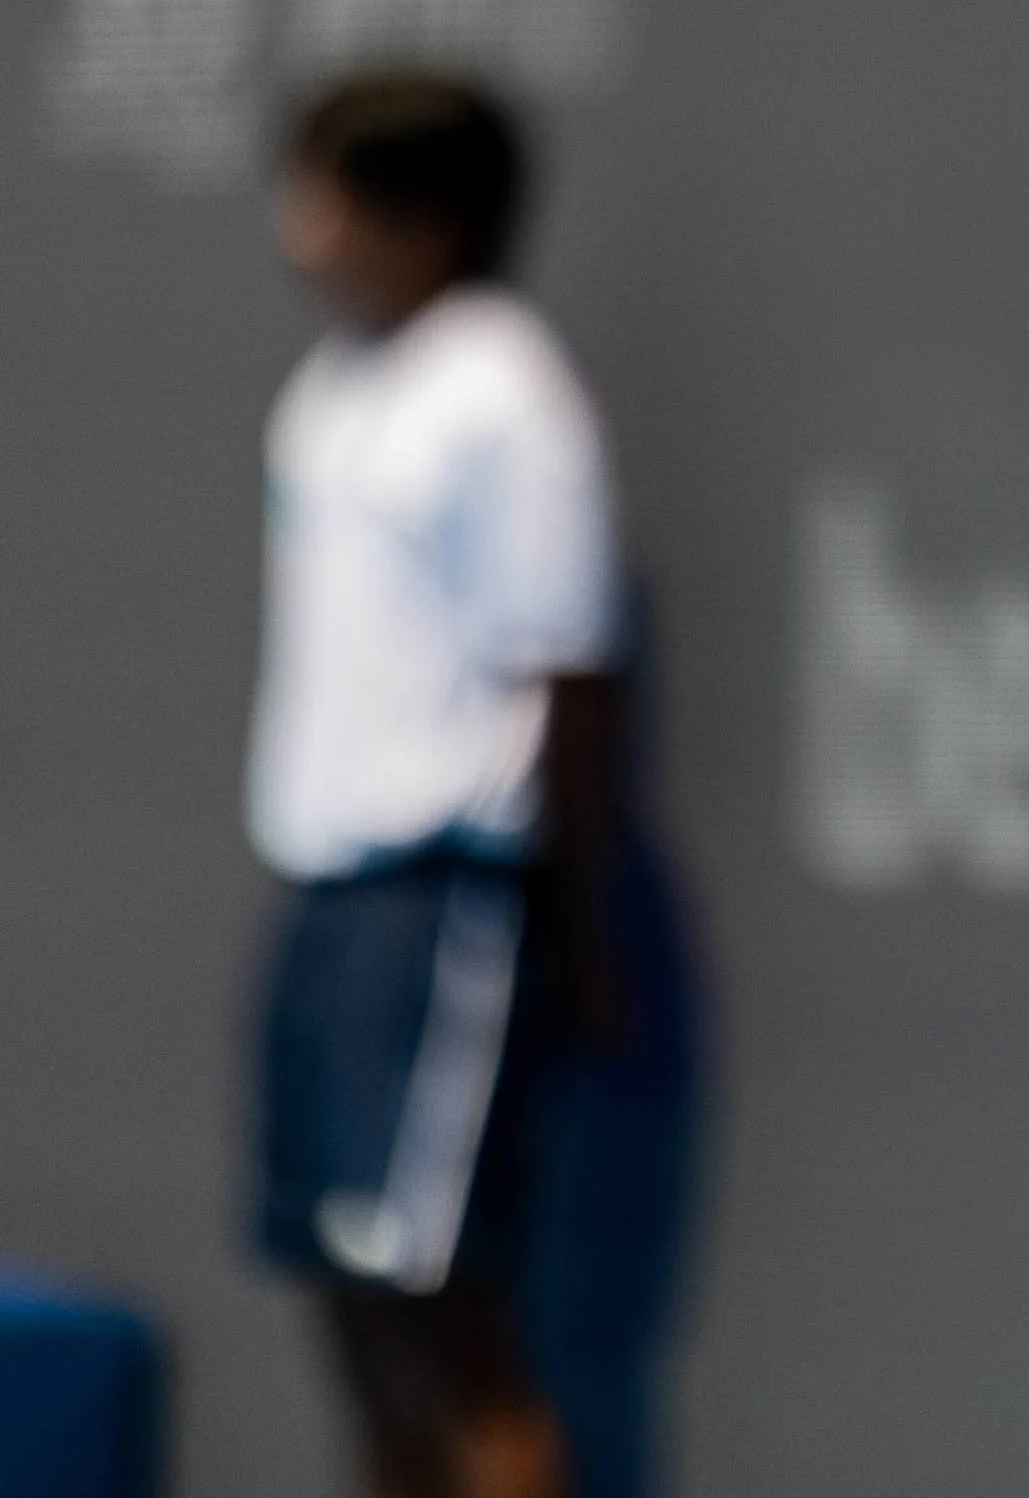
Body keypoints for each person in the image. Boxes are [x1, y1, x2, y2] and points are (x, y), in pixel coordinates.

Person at [249, 74, 626, 1498]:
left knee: (453, 1327)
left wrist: (575, 922)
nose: (296, 228)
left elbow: (568, 666)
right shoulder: (332, 391)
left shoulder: (502, 393)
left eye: (323, 191)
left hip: (442, 909)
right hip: (329, 906)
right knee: (354, 1313)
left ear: (421, 217)